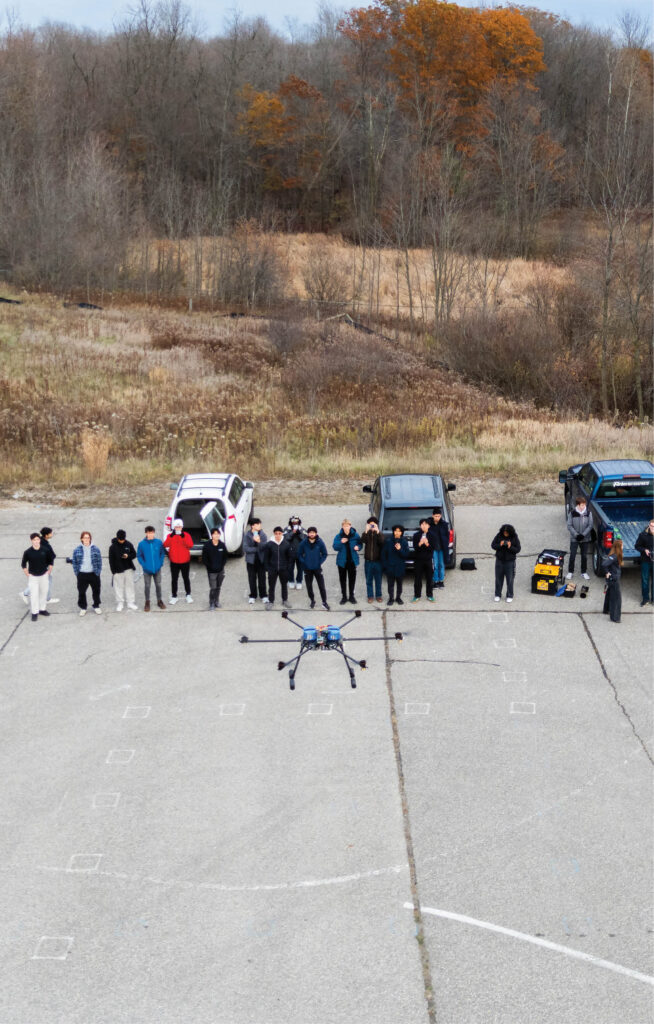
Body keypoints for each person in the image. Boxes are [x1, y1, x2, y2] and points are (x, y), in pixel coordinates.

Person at [21, 526, 58, 606]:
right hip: (44, 566)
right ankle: (27, 594)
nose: (52, 534)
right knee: (45, 581)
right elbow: (51, 555)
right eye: (50, 533)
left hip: (43, 566)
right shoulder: (45, 544)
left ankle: (27, 593)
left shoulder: (43, 541)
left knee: (43, 581)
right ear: (46, 535)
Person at [21, 532, 54, 622]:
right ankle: (34, 612)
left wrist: (49, 571)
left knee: (43, 593)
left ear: (40, 540)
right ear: (31, 541)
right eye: (34, 540)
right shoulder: (28, 552)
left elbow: (51, 561)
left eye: (37, 539)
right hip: (33, 577)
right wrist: (27, 574)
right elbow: (23, 564)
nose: (36, 541)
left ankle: (42, 609)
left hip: (44, 575)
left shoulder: (45, 550)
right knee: (34, 595)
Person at [297, 527, 330, 610]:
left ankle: (324, 602)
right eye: (310, 532)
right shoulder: (303, 543)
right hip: (307, 569)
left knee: (321, 586)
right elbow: (299, 554)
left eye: (313, 532)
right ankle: (312, 600)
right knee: (309, 586)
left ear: (316, 533)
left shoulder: (320, 542)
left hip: (317, 568)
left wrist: (319, 562)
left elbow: (325, 554)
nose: (312, 534)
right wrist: (304, 562)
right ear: (308, 533)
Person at [163, 518, 194, 604]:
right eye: (176, 527)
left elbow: (190, 545)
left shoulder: (186, 535)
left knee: (186, 578)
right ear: (174, 527)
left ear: (182, 527)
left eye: (179, 527)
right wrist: (171, 537)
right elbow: (165, 544)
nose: (178, 528)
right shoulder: (170, 536)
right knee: (174, 579)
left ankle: (188, 595)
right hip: (174, 562)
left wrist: (183, 537)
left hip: (185, 561)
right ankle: (174, 596)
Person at [72, 531, 103, 615]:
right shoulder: (77, 550)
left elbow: (99, 561)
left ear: (90, 539)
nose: (86, 539)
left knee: (96, 591)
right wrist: (77, 573)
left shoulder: (95, 549)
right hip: (82, 574)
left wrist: (98, 572)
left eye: (88, 538)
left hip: (93, 574)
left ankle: (96, 605)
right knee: (81, 592)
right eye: (85, 538)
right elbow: (74, 562)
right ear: (81, 539)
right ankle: (83, 607)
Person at [136, 526, 166, 611]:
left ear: (154, 533)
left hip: (157, 569)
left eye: (152, 532)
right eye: (148, 533)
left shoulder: (158, 542)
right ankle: (147, 602)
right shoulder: (141, 544)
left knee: (158, 585)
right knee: (147, 586)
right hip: (147, 570)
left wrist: (160, 563)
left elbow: (162, 553)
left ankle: (159, 601)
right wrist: (144, 565)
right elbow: (139, 556)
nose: (150, 534)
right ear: (146, 533)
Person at [108, 529, 138, 612]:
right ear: (117, 538)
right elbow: (111, 560)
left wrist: (128, 556)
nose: (122, 541)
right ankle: (120, 603)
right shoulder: (112, 547)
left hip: (128, 568)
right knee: (118, 587)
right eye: (120, 539)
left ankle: (130, 602)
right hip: (118, 570)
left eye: (123, 539)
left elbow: (134, 554)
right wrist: (113, 572)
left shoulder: (128, 544)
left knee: (130, 586)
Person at [263, 526, 293, 609]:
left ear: (282, 534)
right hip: (272, 569)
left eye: (279, 533)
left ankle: (285, 600)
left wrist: (288, 568)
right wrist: (267, 568)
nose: (278, 535)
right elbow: (266, 557)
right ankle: (271, 601)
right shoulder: (269, 544)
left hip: (283, 569)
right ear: (274, 534)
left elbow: (290, 557)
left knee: (284, 585)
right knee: (271, 586)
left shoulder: (286, 544)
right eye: (276, 533)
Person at [333, 519, 361, 605]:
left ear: (350, 526)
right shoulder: (338, 536)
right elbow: (335, 547)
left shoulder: (355, 535)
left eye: (348, 525)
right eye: (344, 526)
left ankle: (351, 596)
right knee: (343, 580)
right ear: (342, 526)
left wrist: (358, 547)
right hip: (342, 562)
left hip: (352, 561)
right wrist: (341, 542)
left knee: (352, 580)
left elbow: (360, 544)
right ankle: (344, 597)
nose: (346, 527)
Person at [491, 523, 521, 603]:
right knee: (498, 579)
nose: (505, 534)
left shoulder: (514, 537)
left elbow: (518, 549)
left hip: (510, 562)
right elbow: (493, 545)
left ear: (510, 532)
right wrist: (500, 545)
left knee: (510, 579)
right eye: (504, 532)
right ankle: (497, 595)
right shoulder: (499, 535)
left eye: (507, 532)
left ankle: (510, 595)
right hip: (499, 561)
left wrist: (510, 546)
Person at [566, 497, 593, 580]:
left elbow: (590, 525)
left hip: (585, 538)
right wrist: (576, 535)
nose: (584, 506)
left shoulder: (588, 513)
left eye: (584, 504)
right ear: (578, 505)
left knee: (584, 556)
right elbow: (569, 525)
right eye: (582, 505)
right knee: (572, 555)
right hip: (574, 538)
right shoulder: (572, 513)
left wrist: (583, 535)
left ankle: (583, 572)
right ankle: (570, 572)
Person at [382, 525, 409, 605]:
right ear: (393, 532)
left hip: (400, 567)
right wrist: (385, 565)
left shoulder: (404, 542)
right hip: (390, 567)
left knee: (399, 584)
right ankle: (391, 598)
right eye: (395, 531)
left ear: (401, 533)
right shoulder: (388, 541)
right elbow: (383, 554)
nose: (397, 533)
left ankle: (398, 597)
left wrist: (400, 549)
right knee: (390, 584)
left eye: (399, 531)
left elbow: (406, 555)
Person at [244, 518, 269, 605]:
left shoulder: (263, 535)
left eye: (260, 524)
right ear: (252, 526)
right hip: (251, 561)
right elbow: (246, 548)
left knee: (262, 578)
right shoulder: (247, 535)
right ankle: (253, 596)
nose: (259, 526)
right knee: (252, 579)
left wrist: (259, 542)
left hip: (261, 560)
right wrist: (256, 549)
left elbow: (265, 546)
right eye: (257, 524)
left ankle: (264, 595)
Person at [360, 516, 385, 604]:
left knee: (378, 580)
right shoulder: (366, 533)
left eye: (373, 524)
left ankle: (378, 596)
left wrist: (377, 532)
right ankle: (370, 596)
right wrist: (366, 531)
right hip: (368, 562)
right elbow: (362, 540)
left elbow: (382, 542)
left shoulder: (380, 534)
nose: (372, 526)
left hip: (378, 562)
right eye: (370, 525)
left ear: (377, 525)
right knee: (368, 580)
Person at [202, 528, 227, 609]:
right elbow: (204, 559)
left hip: (220, 571)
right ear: (212, 535)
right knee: (213, 588)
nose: (216, 535)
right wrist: (210, 567)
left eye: (218, 534)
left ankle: (217, 601)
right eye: (214, 534)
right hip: (211, 571)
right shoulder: (207, 546)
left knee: (218, 587)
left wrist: (221, 566)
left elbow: (225, 557)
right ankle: (211, 603)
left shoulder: (222, 545)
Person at [412, 519, 435, 602]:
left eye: (425, 524)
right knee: (417, 578)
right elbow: (415, 548)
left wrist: (427, 544)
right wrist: (420, 543)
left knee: (429, 578)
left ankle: (430, 595)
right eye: (422, 524)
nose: (424, 526)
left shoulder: (432, 535)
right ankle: (417, 595)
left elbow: (432, 548)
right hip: (418, 560)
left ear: (429, 526)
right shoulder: (416, 535)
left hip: (428, 559)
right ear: (420, 526)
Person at [602, 538, 623, 623]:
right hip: (614, 579)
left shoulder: (613, 555)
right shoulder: (614, 556)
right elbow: (604, 564)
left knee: (609, 594)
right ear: (619, 547)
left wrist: (607, 572)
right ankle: (615, 617)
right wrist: (607, 572)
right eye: (622, 545)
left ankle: (606, 609)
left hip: (611, 579)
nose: (623, 547)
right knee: (616, 598)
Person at [429, 507, 450, 589]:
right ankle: (435, 581)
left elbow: (447, 536)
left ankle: (441, 581)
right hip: (433, 548)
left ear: (441, 516)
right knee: (435, 565)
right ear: (433, 516)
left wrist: (446, 544)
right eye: (436, 516)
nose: (437, 518)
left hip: (442, 548)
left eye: (438, 516)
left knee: (441, 564)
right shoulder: (429, 524)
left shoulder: (444, 524)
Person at [635, 519, 654, 607]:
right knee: (645, 580)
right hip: (645, 561)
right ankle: (645, 599)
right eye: (651, 526)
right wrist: (644, 550)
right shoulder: (643, 535)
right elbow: (637, 546)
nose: (652, 528)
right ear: (649, 525)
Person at [284, 516, 306, 590]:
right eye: (293, 522)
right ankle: (291, 580)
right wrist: (292, 533)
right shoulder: (286, 529)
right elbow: (285, 538)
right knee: (290, 568)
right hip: (290, 553)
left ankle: (299, 581)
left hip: (300, 553)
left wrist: (299, 533)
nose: (295, 523)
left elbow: (305, 539)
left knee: (300, 568)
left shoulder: (302, 529)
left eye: (296, 522)